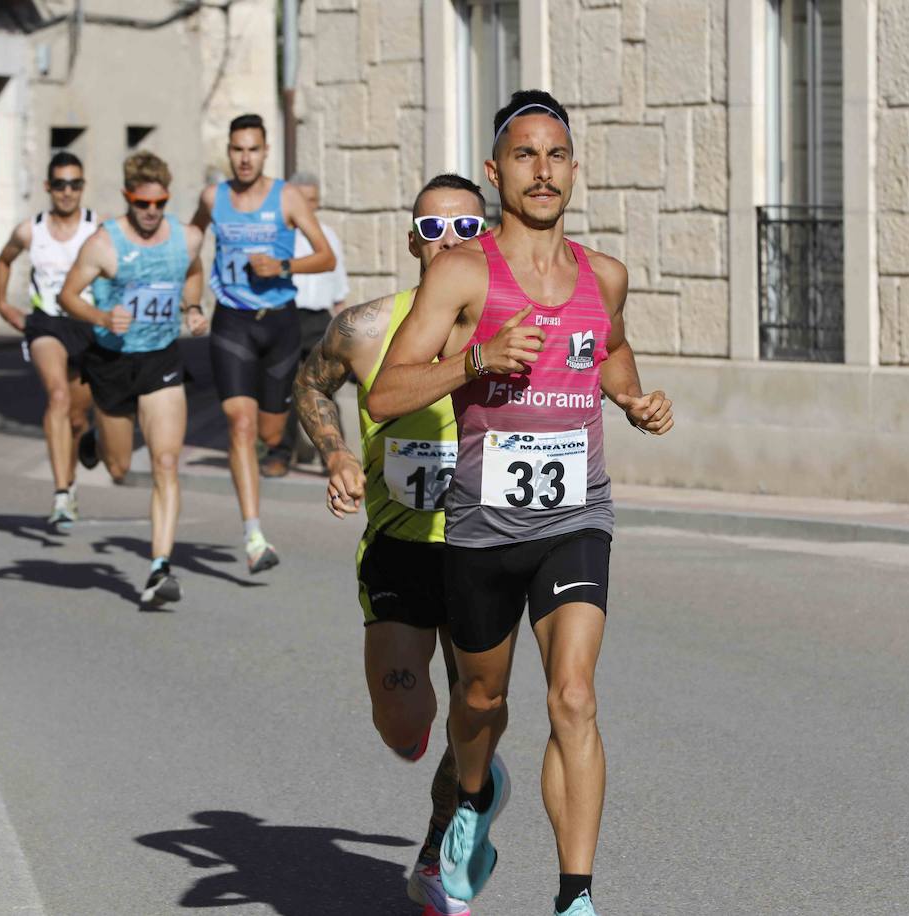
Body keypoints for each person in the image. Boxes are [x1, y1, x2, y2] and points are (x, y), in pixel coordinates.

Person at [367, 91, 674, 916]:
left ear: (574, 170)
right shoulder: (464, 273)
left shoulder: (604, 276)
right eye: (526, 155)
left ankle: (575, 897)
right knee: (481, 701)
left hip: (576, 516)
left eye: (557, 155)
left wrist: (634, 399)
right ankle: (472, 796)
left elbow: (608, 351)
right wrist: (477, 360)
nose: (543, 171)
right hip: (481, 528)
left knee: (573, 695)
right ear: (497, 171)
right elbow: (387, 393)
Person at [292, 173, 491, 916]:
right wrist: (337, 453)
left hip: (485, 543)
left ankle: (440, 850)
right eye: (434, 228)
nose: (449, 242)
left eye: (468, 229)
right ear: (412, 240)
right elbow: (310, 384)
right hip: (401, 546)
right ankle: (455, 760)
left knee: (480, 705)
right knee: (403, 723)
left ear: (488, 239)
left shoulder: (509, 327)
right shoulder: (364, 328)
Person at [59, 150, 209, 606]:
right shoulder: (105, 244)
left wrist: (193, 306)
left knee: (165, 463)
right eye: (142, 204)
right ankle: (96, 442)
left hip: (161, 357)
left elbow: (194, 271)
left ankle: (160, 567)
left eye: (159, 203)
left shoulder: (186, 238)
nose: (151, 212)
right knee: (120, 468)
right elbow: (68, 295)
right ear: (128, 198)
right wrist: (102, 314)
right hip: (111, 360)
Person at [190, 114, 337, 573]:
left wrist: (283, 266)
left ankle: (273, 449)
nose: (245, 158)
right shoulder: (214, 197)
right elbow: (190, 242)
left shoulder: (287, 197)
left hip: (279, 325)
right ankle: (254, 534)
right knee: (240, 425)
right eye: (237, 150)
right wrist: (190, 302)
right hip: (232, 322)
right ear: (229, 152)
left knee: (272, 433)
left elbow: (325, 256)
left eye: (252, 149)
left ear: (265, 151)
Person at [0, 151, 99, 529]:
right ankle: (59, 494)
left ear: (83, 186)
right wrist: (4, 305)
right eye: (60, 184)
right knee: (57, 397)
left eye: (75, 184)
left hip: (86, 325)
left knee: (76, 417)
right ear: (48, 187)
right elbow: (3, 261)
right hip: (46, 325)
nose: (67, 192)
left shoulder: (96, 229)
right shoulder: (30, 230)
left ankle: (69, 487)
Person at [263, 171, 350, 478]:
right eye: (304, 200)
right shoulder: (277, 237)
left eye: (313, 200)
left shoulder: (326, 235)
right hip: (285, 316)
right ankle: (281, 454)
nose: (309, 206)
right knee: (284, 388)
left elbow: (339, 287)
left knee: (322, 388)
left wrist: (344, 325)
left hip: (318, 320)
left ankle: (335, 454)